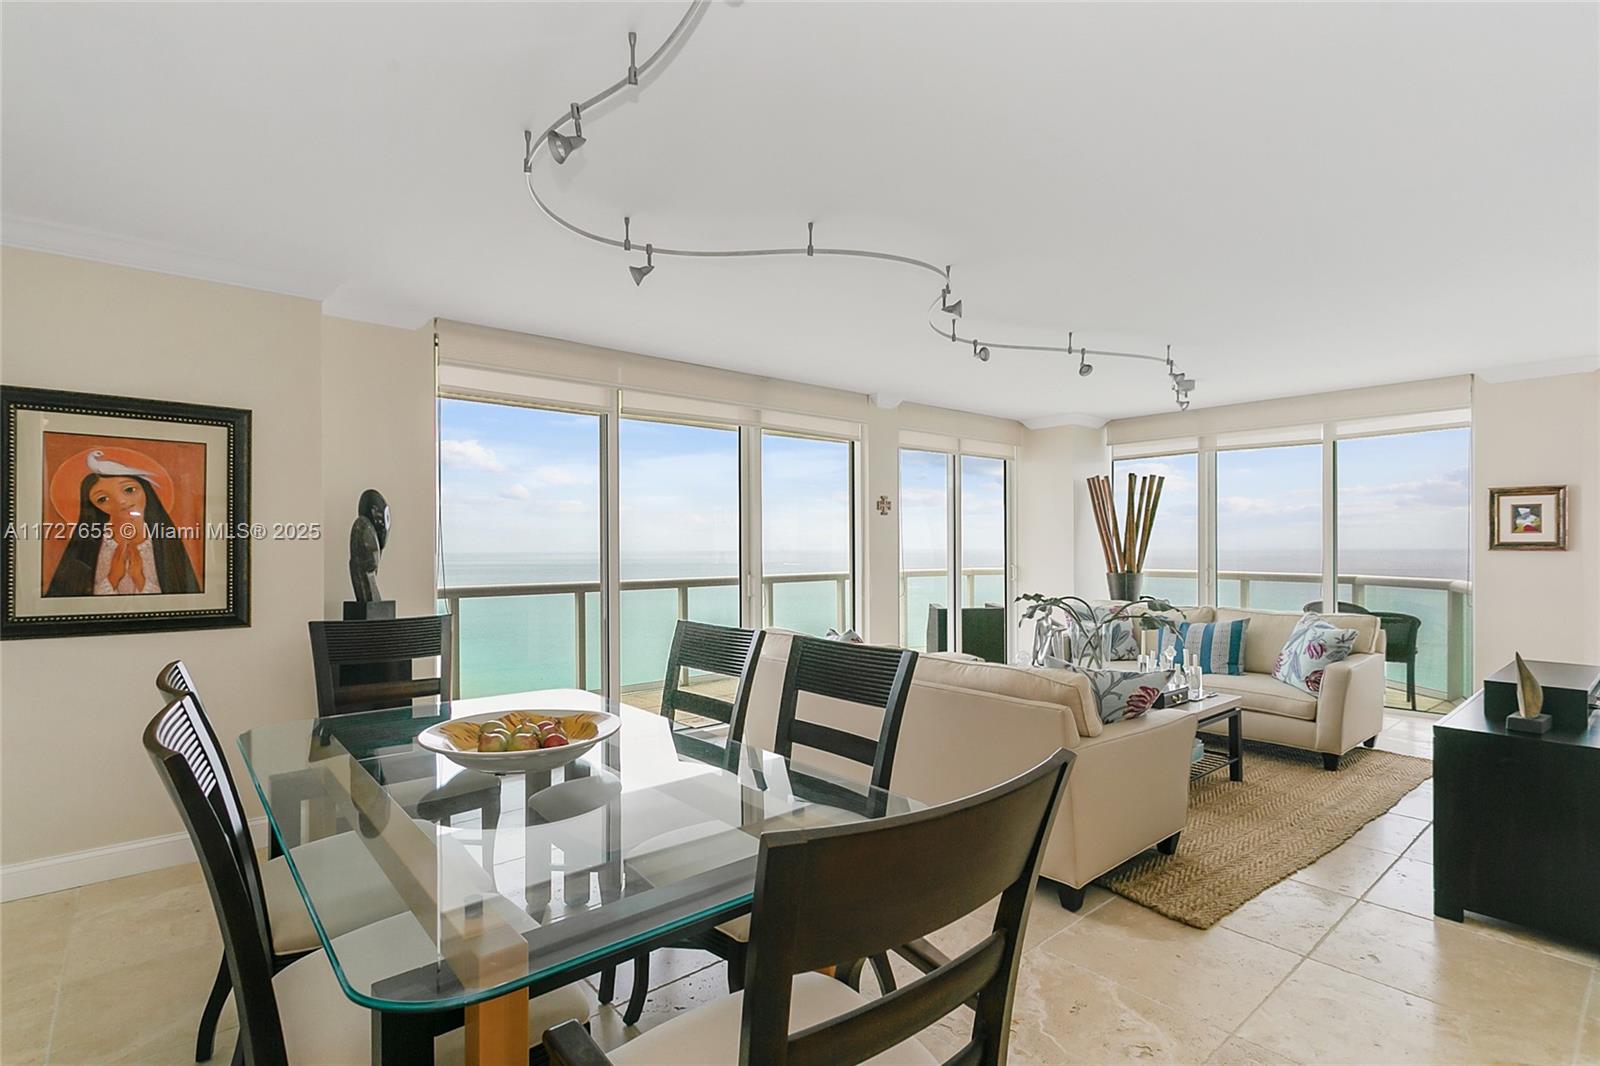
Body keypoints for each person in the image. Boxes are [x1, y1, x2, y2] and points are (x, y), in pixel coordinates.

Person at [45, 451, 201, 597]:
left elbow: (178, 601)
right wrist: (113, 578)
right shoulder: (90, 544)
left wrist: (140, 580)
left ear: (145, 490)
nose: (120, 501)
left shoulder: (164, 540)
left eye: (129, 490)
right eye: (103, 499)